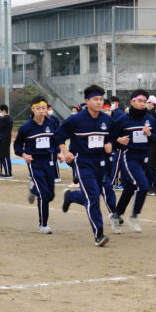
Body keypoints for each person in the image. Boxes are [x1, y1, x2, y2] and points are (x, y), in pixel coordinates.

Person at [57, 85, 115, 246]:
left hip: (101, 162)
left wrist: (110, 143)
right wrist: (65, 151)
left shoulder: (107, 120)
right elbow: (59, 135)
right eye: (95, 99)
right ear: (87, 101)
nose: (98, 102)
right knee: (93, 198)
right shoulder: (75, 120)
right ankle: (99, 235)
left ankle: (70, 196)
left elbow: (113, 134)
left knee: (94, 195)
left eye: (100, 99)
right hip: (82, 162)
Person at [112, 89, 156, 233]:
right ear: (131, 102)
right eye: (139, 101)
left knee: (130, 187)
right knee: (143, 186)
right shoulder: (123, 120)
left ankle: (115, 215)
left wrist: (150, 134)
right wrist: (118, 140)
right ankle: (134, 216)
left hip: (144, 157)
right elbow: (110, 137)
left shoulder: (150, 119)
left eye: (144, 102)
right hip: (129, 157)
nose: (142, 104)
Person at [14, 96, 60, 234]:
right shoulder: (26, 127)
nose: (41, 111)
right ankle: (43, 225)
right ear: (33, 109)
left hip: (50, 161)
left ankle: (33, 189)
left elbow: (55, 141)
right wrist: (24, 154)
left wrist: (58, 153)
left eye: (43, 108)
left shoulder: (52, 123)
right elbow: (17, 145)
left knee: (50, 195)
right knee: (44, 195)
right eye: (38, 108)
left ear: (47, 109)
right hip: (35, 163)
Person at [0, 104, 13, 178]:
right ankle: (7, 172)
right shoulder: (9, 118)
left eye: (0, 111)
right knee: (5, 155)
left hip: (4, 139)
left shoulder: (5, 118)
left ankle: (8, 173)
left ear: (3, 111)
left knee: (5, 156)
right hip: (6, 138)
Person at [47, 104, 61, 182]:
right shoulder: (43, 119)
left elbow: (58, 130)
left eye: (51, 109)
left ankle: (57, 176)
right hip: (46, 143)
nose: (50, 111)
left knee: (54, 160)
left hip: (54, 142)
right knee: (48, 161)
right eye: (49, 109)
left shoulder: (55, 119)